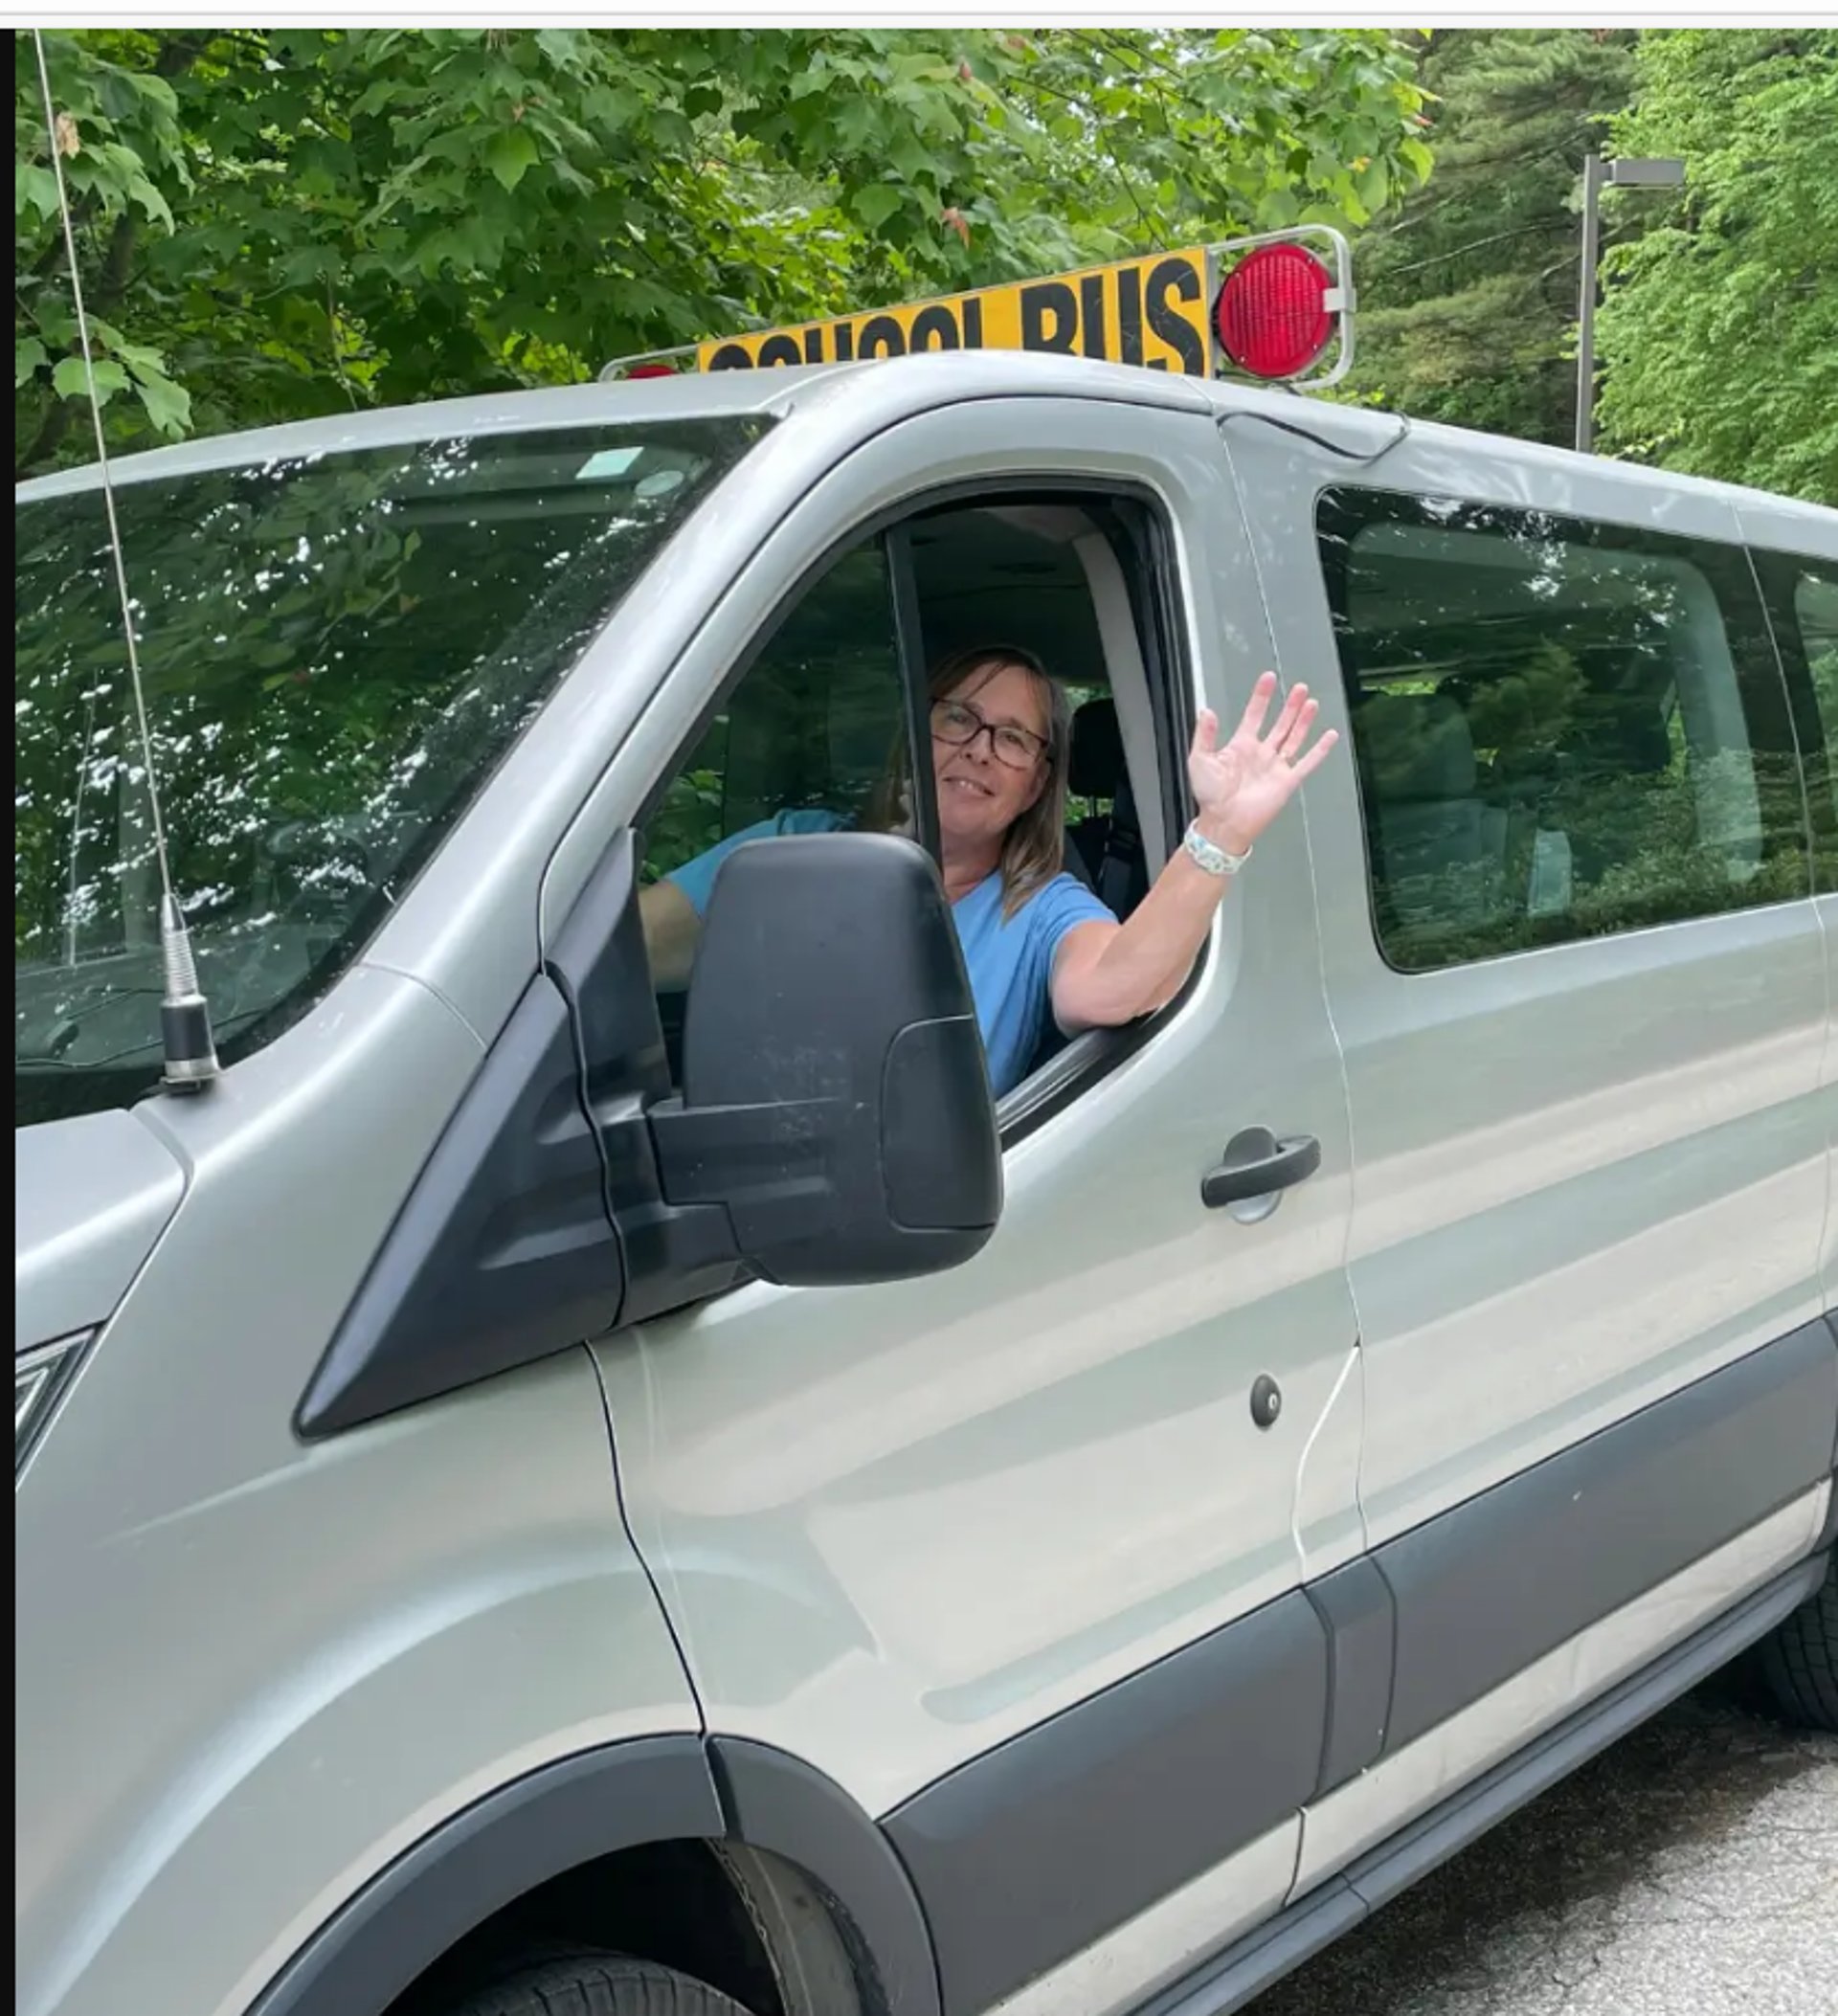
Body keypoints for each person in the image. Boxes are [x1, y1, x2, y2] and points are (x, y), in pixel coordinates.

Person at [639, 644, 1339, 1097]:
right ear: (916, 733)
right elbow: (616, 956)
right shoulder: (786, 847)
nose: (978, 750)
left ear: (1036, 785)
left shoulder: (1040, 908)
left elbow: (1115, 987)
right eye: (957, 720)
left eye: (1011, 739)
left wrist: (1219, 833)